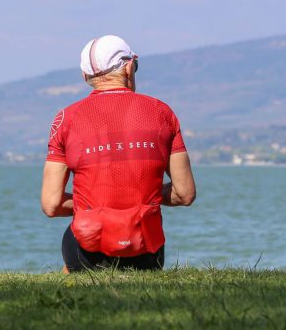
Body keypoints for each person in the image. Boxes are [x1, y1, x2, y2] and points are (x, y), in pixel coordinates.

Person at [40, 35, 196, 272]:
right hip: (146, 253)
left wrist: (99, 205)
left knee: (76, 247)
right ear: (128, 66)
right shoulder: (162, 112)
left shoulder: (65, 119)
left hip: (88, 251)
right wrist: (142, 198)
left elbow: (51, 205)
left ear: (85, 76)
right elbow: (184, 194)